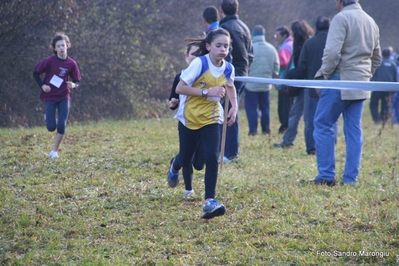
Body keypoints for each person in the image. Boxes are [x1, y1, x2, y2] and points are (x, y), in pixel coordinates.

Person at [166, 28, 238, 219]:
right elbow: (180, 88)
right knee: (186, 158)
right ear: (208, 47)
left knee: (212, 157)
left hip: (212, 117)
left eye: (226, 46)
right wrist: (207, 92)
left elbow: (230, 86)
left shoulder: (228, 67)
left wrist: (234, 107)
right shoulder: (200, 63)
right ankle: (175, 165)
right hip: (189, 117)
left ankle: (209, 202)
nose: (223, 49)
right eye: (219, 45)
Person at [311, 0, 381, 186]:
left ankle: (326, 175)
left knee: (323, 123)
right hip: (361, 83)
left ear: (339, 1)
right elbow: (377, 57)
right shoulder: (371, 21)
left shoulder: (341, 18)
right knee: (353, 130)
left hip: (339, 79)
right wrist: (364, 76)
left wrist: (325, 73)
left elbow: (332, 52)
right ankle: (350, 179)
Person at [32, 32, 81, 159]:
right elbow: (35, 73)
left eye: (63, 45)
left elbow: (78, 81)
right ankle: (47, 118)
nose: (61, 48)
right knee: (51, 127)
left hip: (64, 96)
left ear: (67, 46)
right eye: (58, 46)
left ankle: (54, 151)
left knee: (61, 124)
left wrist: (74, 85)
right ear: (54, 48)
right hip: (50, 97)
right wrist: (43, 86)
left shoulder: (72, 64)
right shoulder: (49, 61)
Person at [168, 43, 204, 199]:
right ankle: (188, 189)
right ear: (186, 56)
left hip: (204, 120)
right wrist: (172, 103)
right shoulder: (180, 76)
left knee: (199, 164)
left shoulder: (207, 76)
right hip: (185, 120)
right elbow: (172, 99)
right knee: (187, 157)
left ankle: (177, 161)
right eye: (193, 54)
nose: (196, 57)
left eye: (199, 54)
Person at [219, 0, 253, 163]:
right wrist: (245, 70)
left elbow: (227, 54)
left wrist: (226, 74)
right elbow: (250, 54)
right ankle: (227, 151)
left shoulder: (224, 28)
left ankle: (230, 153)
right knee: (231, 110)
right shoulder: (245, 27)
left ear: (221, 10)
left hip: (231, 75)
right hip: (243, 74)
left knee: (229, 112)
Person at [273, 20, 314, 150]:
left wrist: (292, 74)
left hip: (308, 83)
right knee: (295, 113)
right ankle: (287, 141)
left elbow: (303, 67)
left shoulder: (306, 45)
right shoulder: (298, 45)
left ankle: (311, 146)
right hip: (302, 82)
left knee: (307, 117)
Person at [244, 25, 279, 136]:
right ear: (264, 34)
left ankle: (253, 131)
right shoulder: (271, 48)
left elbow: (245, 65)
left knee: (251, 109)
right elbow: (276, 66)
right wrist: (273, 76)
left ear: (253, 34)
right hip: (265, 85)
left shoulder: (249, 48)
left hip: (251, 85)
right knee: (265, 108)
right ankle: (266, 130)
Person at [369, 47, 397, 124]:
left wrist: (370, 84)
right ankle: (383, 120)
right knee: (386, 105)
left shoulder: (379, 63)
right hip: (388, 88)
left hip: (378, 87)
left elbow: (373, 75)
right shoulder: (393, 64)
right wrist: (394, 90)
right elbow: (395, 78)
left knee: (373, 104)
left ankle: (377, 119)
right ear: (390, 54)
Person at [274, 26, 294, 134]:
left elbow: (283, 62)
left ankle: (285, 126)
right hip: (290, 80)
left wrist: (274, 65)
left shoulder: (286, 47)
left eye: (277, 35)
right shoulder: (291, 44)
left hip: (284, 80)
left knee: (284, 106)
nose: (275, 38)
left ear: (284, 36)